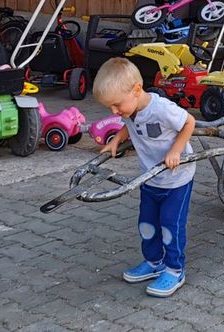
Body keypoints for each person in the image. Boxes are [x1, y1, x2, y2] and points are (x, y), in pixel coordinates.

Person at [93, 57, 196, 297]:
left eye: (117, 105)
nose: (114, 111)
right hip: (149, 178)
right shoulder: (132, 108)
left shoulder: (161, 109)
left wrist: (175, 150)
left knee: (170, 225)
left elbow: (189, 123)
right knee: (147, 225)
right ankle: (154, 262)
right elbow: (129, 121)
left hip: (175, 180)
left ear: (137, 90)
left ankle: (174, 269)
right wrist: (117, 139)